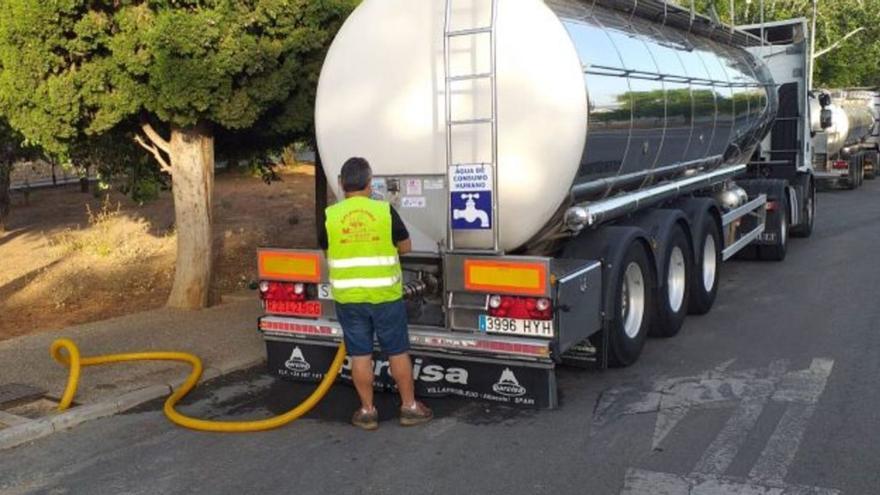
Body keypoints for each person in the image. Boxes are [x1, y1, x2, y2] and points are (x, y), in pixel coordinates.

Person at [319, 157, 433, 430]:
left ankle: (367, 411)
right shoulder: (384, 211)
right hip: (385, 297)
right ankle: (409, 407)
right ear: (370, 184)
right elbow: (405, 247)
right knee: (397, 351)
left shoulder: (330, 216)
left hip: (349, 299)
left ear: (341, 184)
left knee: (360, 355)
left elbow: (328, 252)